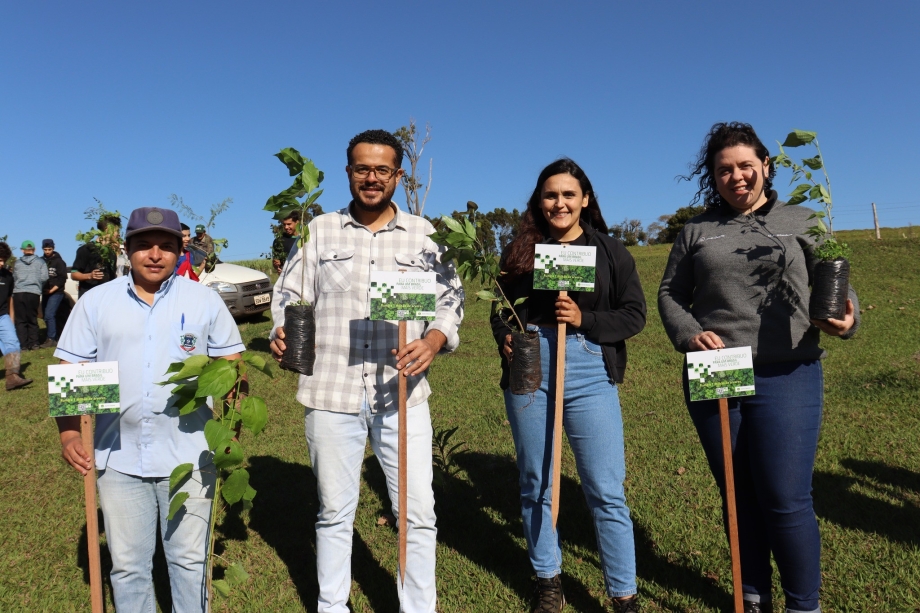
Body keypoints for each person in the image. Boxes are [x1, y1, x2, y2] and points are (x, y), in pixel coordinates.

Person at [657, 122, 859, 613]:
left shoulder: (803, 220)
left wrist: (846, 316)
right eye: (724, 170)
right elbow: (670, 294)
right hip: (716, 370)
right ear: (713, 176)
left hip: (787, 373)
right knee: (736, 495)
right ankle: (752, 597)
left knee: (785, 497)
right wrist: (689, 335)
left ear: (766, 166)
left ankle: (802, 605)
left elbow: (835, 280)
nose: (737, 177)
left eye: (746, 165)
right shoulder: (696, 231)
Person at [269, 129, 464, 613]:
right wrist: (280, 329)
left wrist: (435, 339)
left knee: (416, 513)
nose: (371, 178)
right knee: (334, 512)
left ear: (398, 176)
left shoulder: (424, 234)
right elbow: (289, 294)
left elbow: (450, 298)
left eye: (382, 170)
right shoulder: (319, 230)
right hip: (331, 391)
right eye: (362, 168)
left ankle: (417, 608)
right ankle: (332, 606)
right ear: (348, 172)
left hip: (402, 393)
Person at [55, 207, 245, 613]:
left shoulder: (204, 301)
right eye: (144, 245)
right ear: (127, 250)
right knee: (127, 566)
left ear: (180, 251)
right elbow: (70, 370)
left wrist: (231, 428)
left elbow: (232, 367)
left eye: (165, 246)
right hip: (117, 457)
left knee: (190, 562)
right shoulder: (96, 302)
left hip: (191, 456)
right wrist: (69, 433)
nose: (155, 254)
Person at [490, 159, 646, 613]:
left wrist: (585, 318)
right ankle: (548, 580)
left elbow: (634, 315)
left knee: (605, 487)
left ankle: (623, 594)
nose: (559, 203)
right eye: (550, 195)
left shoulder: (610, 251)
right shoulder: (521, 251)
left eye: (568, 194)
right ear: (539, 200)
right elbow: (499, 309)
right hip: (530, 364)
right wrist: (505, 338)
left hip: (589, 367)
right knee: (536, 481)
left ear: (585, 199)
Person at [0, 242, 33, 390]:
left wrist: (11, 319)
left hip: (3, 316)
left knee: (12, 343)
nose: (2, 263)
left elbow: (9, 299)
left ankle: (12, 377)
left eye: (3, 260)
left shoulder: (7, 276)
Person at [71, 213, 121, 298]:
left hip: (106, 298)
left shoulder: (112, 253)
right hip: (88, 297)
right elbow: (74, 274)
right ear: (107, 229)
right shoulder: (86, 249)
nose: (118, 234)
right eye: (117, 231)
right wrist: (89, 276)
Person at [12, 240, 48, 351]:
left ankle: (23, 345)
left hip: (19, 292)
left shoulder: (17, 263)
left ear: (22, 250)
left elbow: (14, 277)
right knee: (32, 318)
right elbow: (45, 277)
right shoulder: (41, 262)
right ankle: (34, 343)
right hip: (33, 292)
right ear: (34, 250)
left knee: (20, 320)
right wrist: (38, 284)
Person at [40, 239, 68, 348]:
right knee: (45, 315)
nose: (47, 251)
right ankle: (52, 336)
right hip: (45, 292)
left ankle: (51, 338)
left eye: (49, 249)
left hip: (56, 292)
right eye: (45, 249)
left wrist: (52, 290)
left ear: (53, 248)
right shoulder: (41, 261)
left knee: (49, 314)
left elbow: (62, 279)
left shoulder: (59, 262)